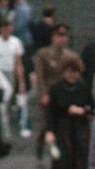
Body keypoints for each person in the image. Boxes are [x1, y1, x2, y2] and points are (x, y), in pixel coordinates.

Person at [45, 53, 91, 169]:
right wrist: (50, 131)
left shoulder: (84, 86)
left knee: (78, 166)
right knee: (63, 165)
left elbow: (91, 106)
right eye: (69, 71)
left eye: (75, 72)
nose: (72, 75)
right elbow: (51, 112)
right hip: (62, 129)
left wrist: (83, 110)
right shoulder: (56, 88)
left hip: (80, 129)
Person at [31, 23, 73, 153]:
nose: (62, 39)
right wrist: (43, 94)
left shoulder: (71, 55)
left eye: (65, 36)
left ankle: (63, 146)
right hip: (49, 92)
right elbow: (40, 75)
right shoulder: (43, 54)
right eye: (59, 36)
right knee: (45, 123)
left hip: (65, 93)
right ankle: (40, 143)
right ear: (52, 37)